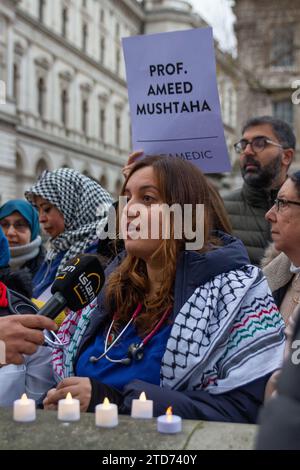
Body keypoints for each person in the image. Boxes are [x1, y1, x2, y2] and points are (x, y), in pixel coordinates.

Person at [41, 156, 284, 422]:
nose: (129, 210)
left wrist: (114, 402)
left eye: (147, 199)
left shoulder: (236, 293)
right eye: (127, 198)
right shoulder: (107, 288)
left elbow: (244, 408)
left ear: (185, 212)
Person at [25, 168, 113, 298]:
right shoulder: (58, 248)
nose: (41, 219)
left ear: (72, 205)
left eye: (47, 209)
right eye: (39, 210)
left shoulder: (99, 248)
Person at [223, 116, 296, 266]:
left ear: (286, 156)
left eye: (259, 143)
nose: (247, 151)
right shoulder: (218, 210)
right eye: (243, 144)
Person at [0, 199, 44, 278]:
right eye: (4, 224)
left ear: (33, 230)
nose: (10, 232)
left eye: (20, 225)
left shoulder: (47, 270)